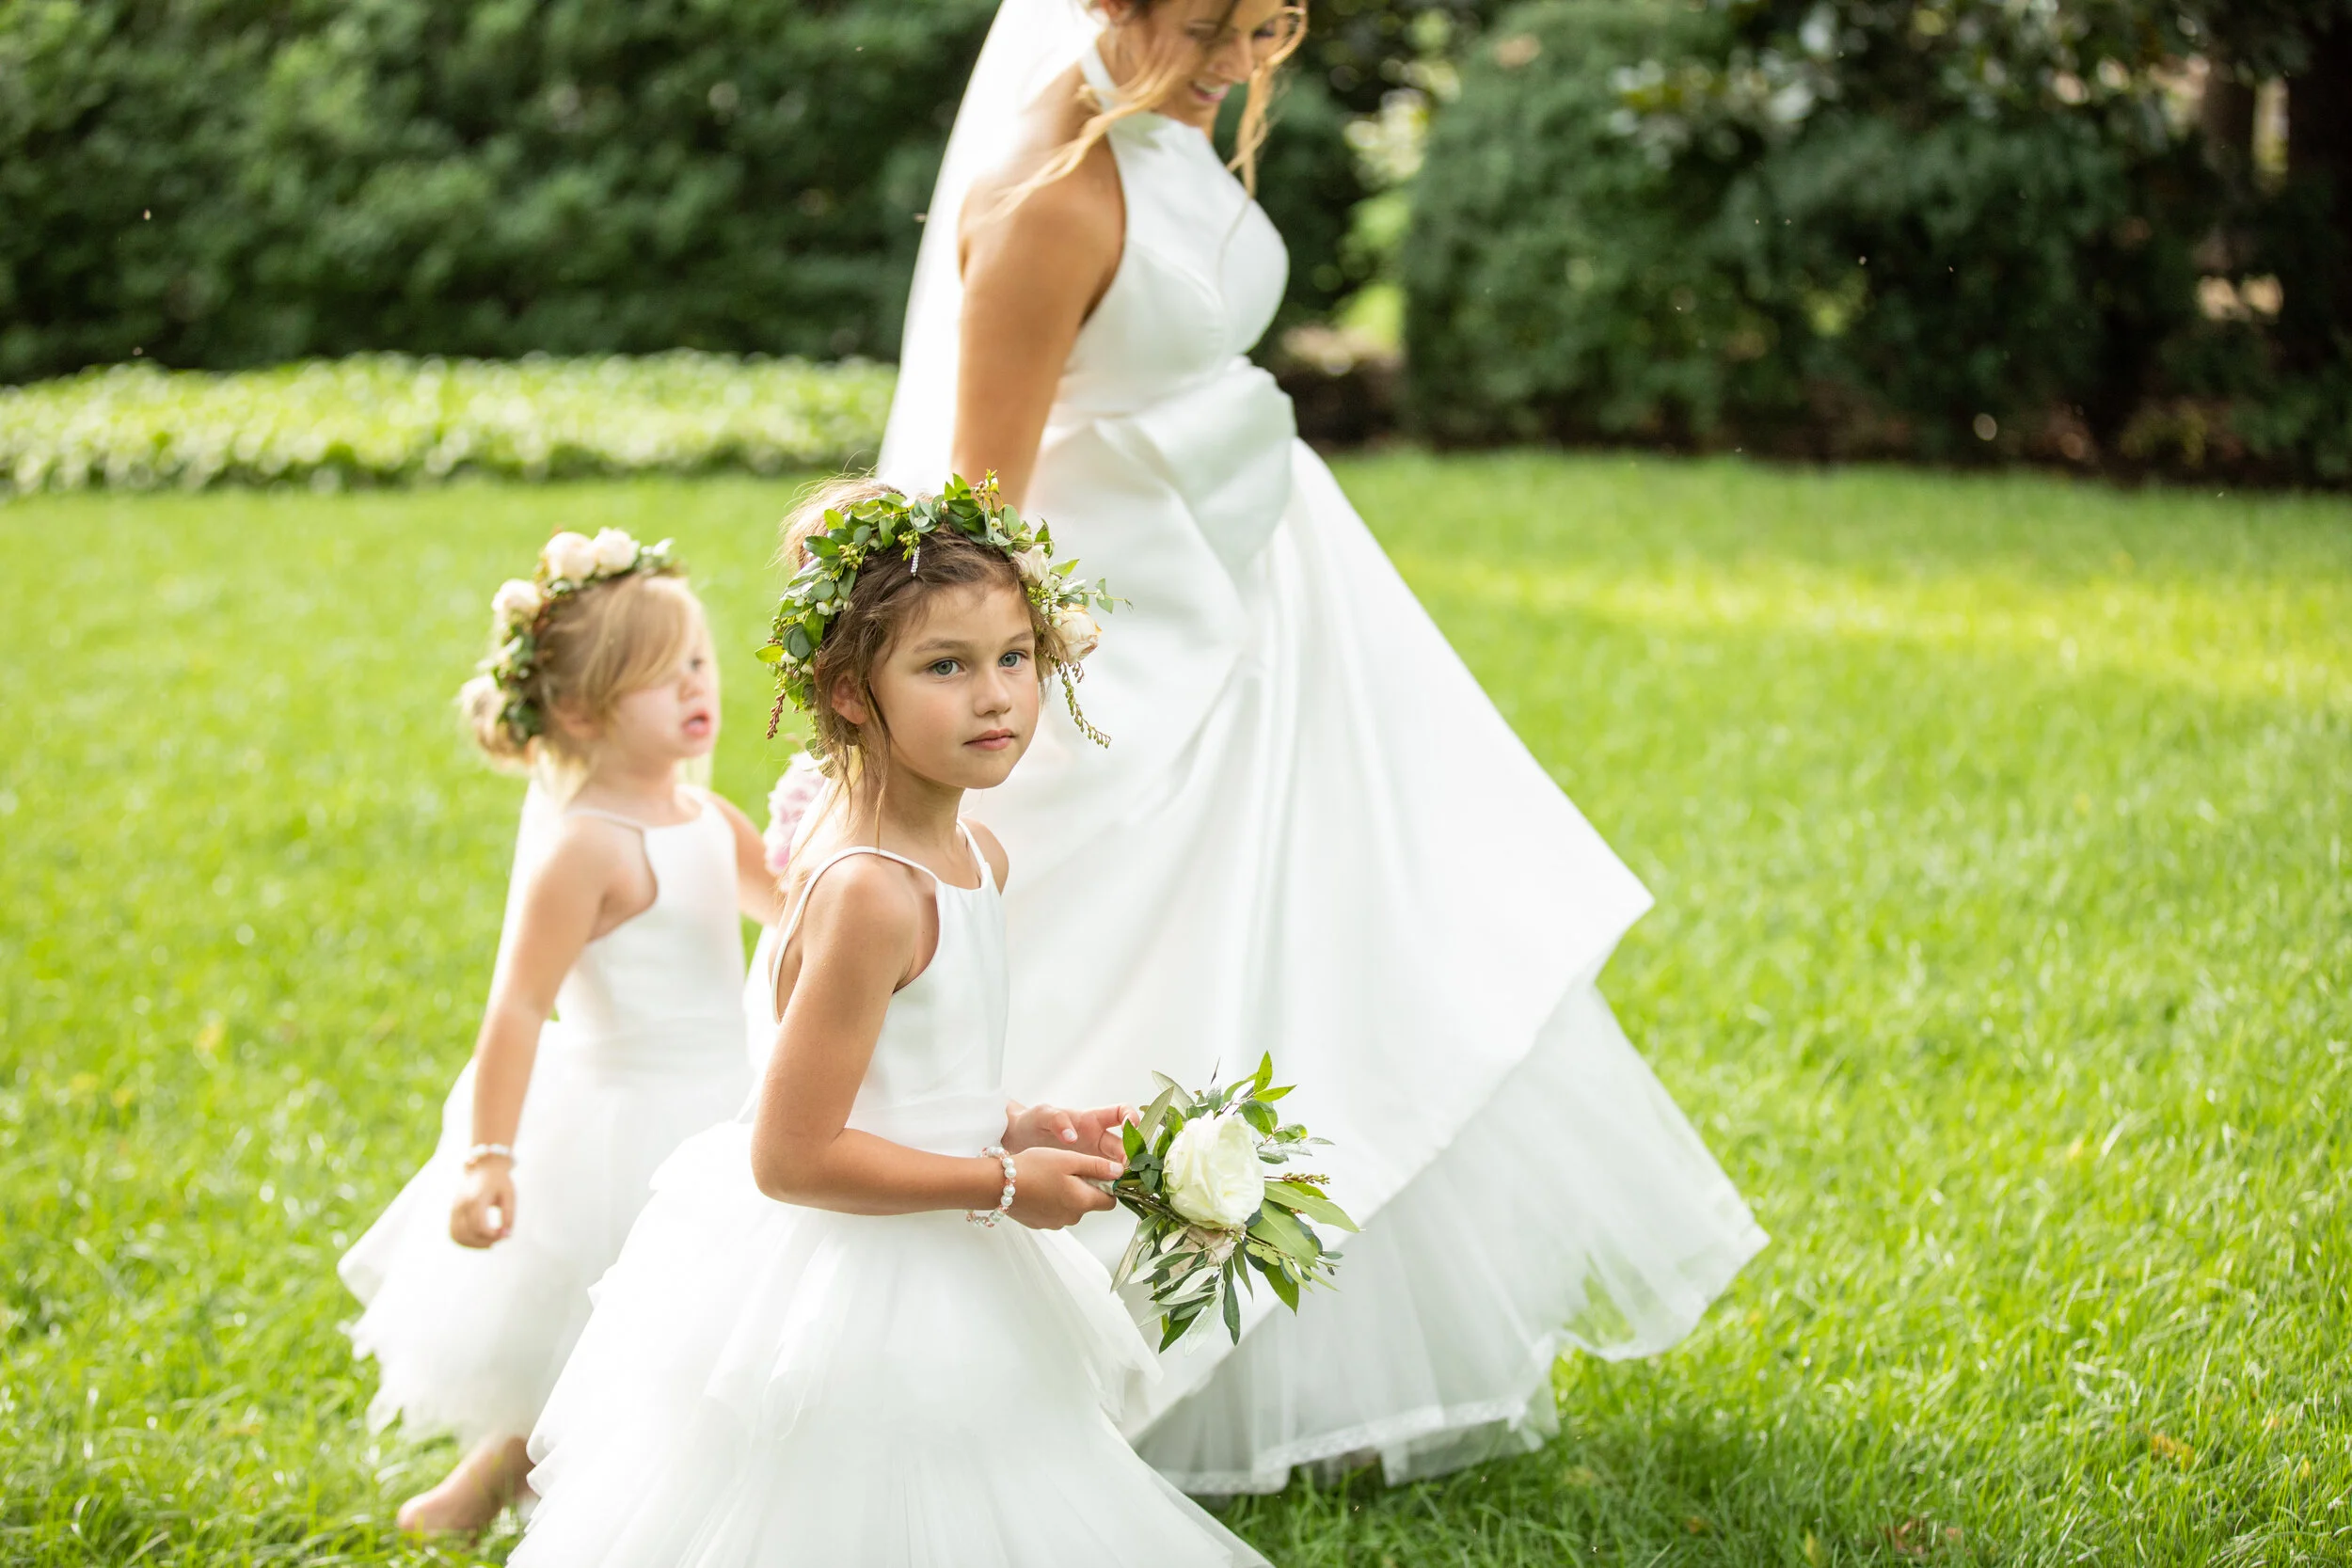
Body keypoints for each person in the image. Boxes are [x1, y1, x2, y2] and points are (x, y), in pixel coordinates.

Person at [867, 0, 1771, 1492]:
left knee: (1343, 941)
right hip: (1133, 636)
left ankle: (1318, 1369)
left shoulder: (1175, 109)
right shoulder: (1043, 190)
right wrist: (1003, 698)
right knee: (1141, 959)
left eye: (1262, 20)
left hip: (1274, 592)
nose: (1240, 55)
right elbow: (975, 516)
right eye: (1215, 22)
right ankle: (1069, 1360)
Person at [512, 481, 1266, 1567]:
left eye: (1016, 655)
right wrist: (1002, 1188)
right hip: (844, 1285)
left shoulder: (974, 856)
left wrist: (1013, 1124)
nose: (996, 696)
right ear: (851, 693)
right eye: (944, 666)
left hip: (939, 1244)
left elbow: (907, 1084)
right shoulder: (872, 892)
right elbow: (791, 1152)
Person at [338, 530, 779, 1531]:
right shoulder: (586, 848)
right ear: (580, 709)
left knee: (710, 1313)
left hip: (727, 1095)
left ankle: (682, 1488)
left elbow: (791, 902)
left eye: (699, 662)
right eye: (660, 678)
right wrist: (488, 1154)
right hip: (624, 1115)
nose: (695, 686)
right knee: (608, 1325)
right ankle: (501, 1476)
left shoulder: (706, 816)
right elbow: (517, 1006)